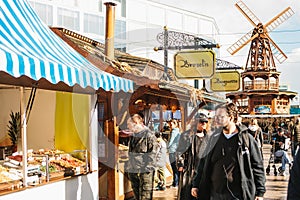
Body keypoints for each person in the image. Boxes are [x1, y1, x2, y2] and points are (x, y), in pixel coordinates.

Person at [191, 103, 266, 200]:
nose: (217, 119)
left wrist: (260, 192)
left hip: (239, 194)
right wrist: (196, 184)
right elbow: (202, 163)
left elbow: (258, 166)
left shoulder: (246, 140)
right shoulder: (211, 139)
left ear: (231, 118)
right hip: (215, 194)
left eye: (220, 117)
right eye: (216, 116)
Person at [176, 113, 210, 200]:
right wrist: (181, 164)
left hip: (203, 170)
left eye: (205, 122)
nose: (204, 124)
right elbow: (180, 151)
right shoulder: (186, 136)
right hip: (189, 169)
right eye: (201, 122)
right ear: (196, 123)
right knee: (187, 195)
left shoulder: (209, 137)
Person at [125, 114, 157, 200]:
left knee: (145, 197)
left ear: (136, 123)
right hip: (134, 171)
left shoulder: (149, 135)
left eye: (129, 125)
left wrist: (146, 170)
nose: (128, 127)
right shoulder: (133, 135)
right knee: (137, 196)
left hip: (145, 173)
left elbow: (153, 155)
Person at [167, 119, 181, 188]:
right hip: (176, 151)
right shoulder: (179, 132)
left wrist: (166, 148)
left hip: (172, 151)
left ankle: (175, 183)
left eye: (171, 124)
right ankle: (176, 182)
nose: (170, 126)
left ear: (175, 124)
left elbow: (170, 142)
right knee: (176, 167)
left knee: (174, 167)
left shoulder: (173, 132)